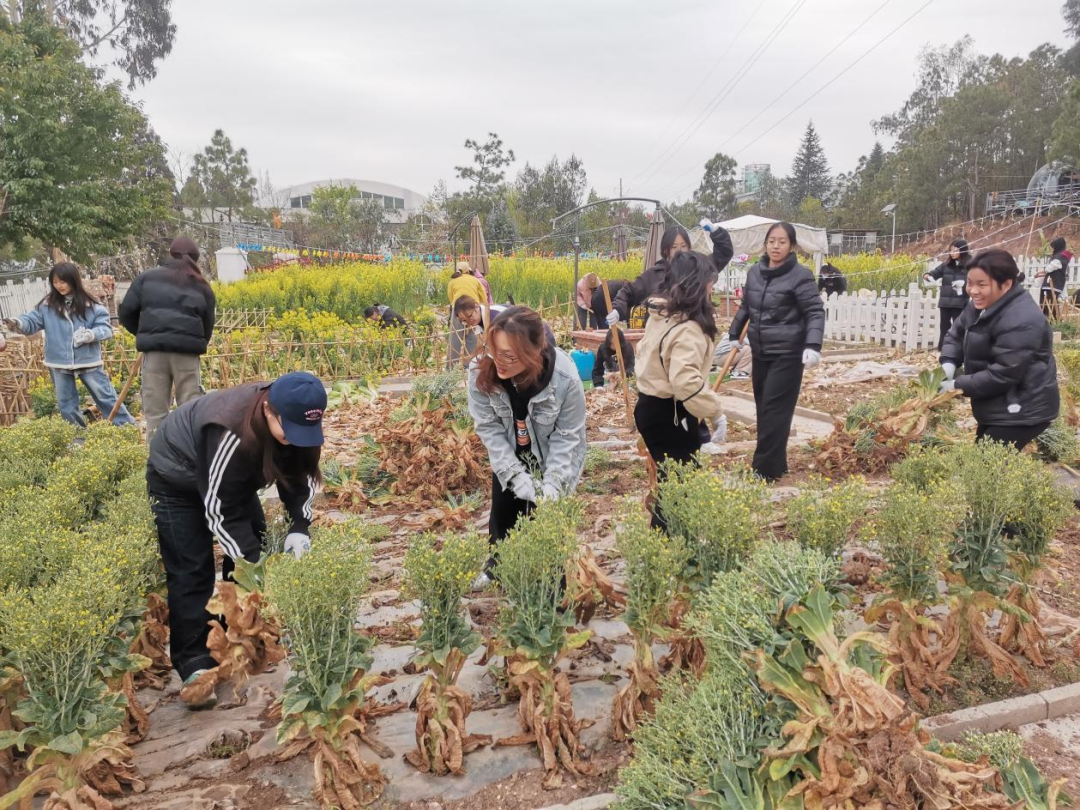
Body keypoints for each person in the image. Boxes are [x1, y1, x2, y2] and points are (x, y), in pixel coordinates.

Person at [146, 371, 325, 708]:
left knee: (253, 537)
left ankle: (241, 635)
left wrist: (299, 526)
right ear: (269, 411)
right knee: (191, 568)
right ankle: (195, 665)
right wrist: (253, 568)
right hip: (177, 477)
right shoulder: (228, 429)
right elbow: (219, 509)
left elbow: (301, 477)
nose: (297, 438)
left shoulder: (297, 425)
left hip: (231, 478)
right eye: (290, 430)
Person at [467, 306, 587, 585]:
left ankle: (552, 580)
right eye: (496, 352)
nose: (501, 362)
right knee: (504, 510)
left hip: (550, 452)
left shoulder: (565, 377)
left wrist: (554, 484)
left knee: (547, 518)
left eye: (510, 356)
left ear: (535, 352)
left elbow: (567, 435)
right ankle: (498, 569)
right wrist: (513, 474)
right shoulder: (481, 373)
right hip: (510, 447)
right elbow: (489, 429)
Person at [634, 251, 727, 529]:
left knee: (673, 480)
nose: (713, 287)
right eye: (711, 281)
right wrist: (715, 412)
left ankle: (667, 546)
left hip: (650, 407)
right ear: (699, 283)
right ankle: (671, 548)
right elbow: (685, 381)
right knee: (680, 485)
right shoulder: (687, 327)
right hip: (670, 413)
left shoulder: (663, 315)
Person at [728, 222, 825, 482]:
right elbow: (746, 307)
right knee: (766, 409)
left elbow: (815, 311)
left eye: (782, 241)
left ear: (792, 246)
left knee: (774, 409)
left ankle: (763, 471)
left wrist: (813, 346)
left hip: (788, 354)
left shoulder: (800, 275)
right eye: (772, 241)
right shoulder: (755, 273)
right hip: (761, 352)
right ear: (766, 243)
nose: (776, 246)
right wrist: (732, 335)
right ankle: (777, 462)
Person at [940, 249, 1059, 450]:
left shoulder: (1022, 319)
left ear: (1006, 284)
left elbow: (1003, 373)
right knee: (981, 468)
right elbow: (956, 333)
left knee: (982, 469)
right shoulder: (981, 304)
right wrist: (948, 363)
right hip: (998, 405)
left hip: (1022, 410)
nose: (973, 291)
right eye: (970, 283)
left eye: (982, 284)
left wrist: (956, 385)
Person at [4, 263, 135, 428]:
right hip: (58, 361)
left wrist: (91, 335)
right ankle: (77, 436)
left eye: (63, 281)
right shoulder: (47, 305)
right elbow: (31, 322)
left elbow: (106, 329)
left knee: (105, 396)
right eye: (55, 282)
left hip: (87, 360)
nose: (59, 286)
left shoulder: (91, 305)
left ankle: (125, 427)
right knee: (66, 402)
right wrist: (18, 323)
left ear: (74, 281)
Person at [119, 237, 216, 443]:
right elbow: (207, 325)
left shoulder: (147, 278)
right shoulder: (202, 286)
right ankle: (192, 456)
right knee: (190, 407)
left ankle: (157, 461)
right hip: (187, 354)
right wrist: (194, 342)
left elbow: (126, 312)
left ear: (170, 254)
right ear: (196, 260)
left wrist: (147, 334)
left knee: (155, 411)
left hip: (155, 354)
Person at [608, 222, 734, 327]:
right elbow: (629, 291)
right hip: (661, 335)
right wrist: (617, 310)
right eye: (674, 247)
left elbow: (723, 254)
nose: (679, 251)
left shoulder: (698, 269)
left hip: (692, 331)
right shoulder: (654, 274)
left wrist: (716, 232)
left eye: (683, 246)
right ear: (666, 250)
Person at [924, 238, 971, 350]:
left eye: (955, 250)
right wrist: (927, 276)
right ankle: (943, 348)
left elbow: (975, 281)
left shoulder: (970, 265)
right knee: (944, 326)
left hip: (960, 302)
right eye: (951, 250)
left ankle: (959, 349)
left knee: (958, 326)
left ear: (963, 250)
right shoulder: (946, 265)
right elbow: (933, 274)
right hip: (945, 302)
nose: (952, 253)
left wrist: (964, 286)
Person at [1036, 237, 1071, 318]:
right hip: (1050, 285)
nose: (1052, 249)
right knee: (1047, 305)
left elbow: (1048, 269)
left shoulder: (1060, 258)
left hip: (1054, 285)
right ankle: (1049, 321)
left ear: (1057, 247)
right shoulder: (1060, 257)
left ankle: (1053, 322)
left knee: (1050, 305)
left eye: (1053, 247)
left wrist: (1038, 273)